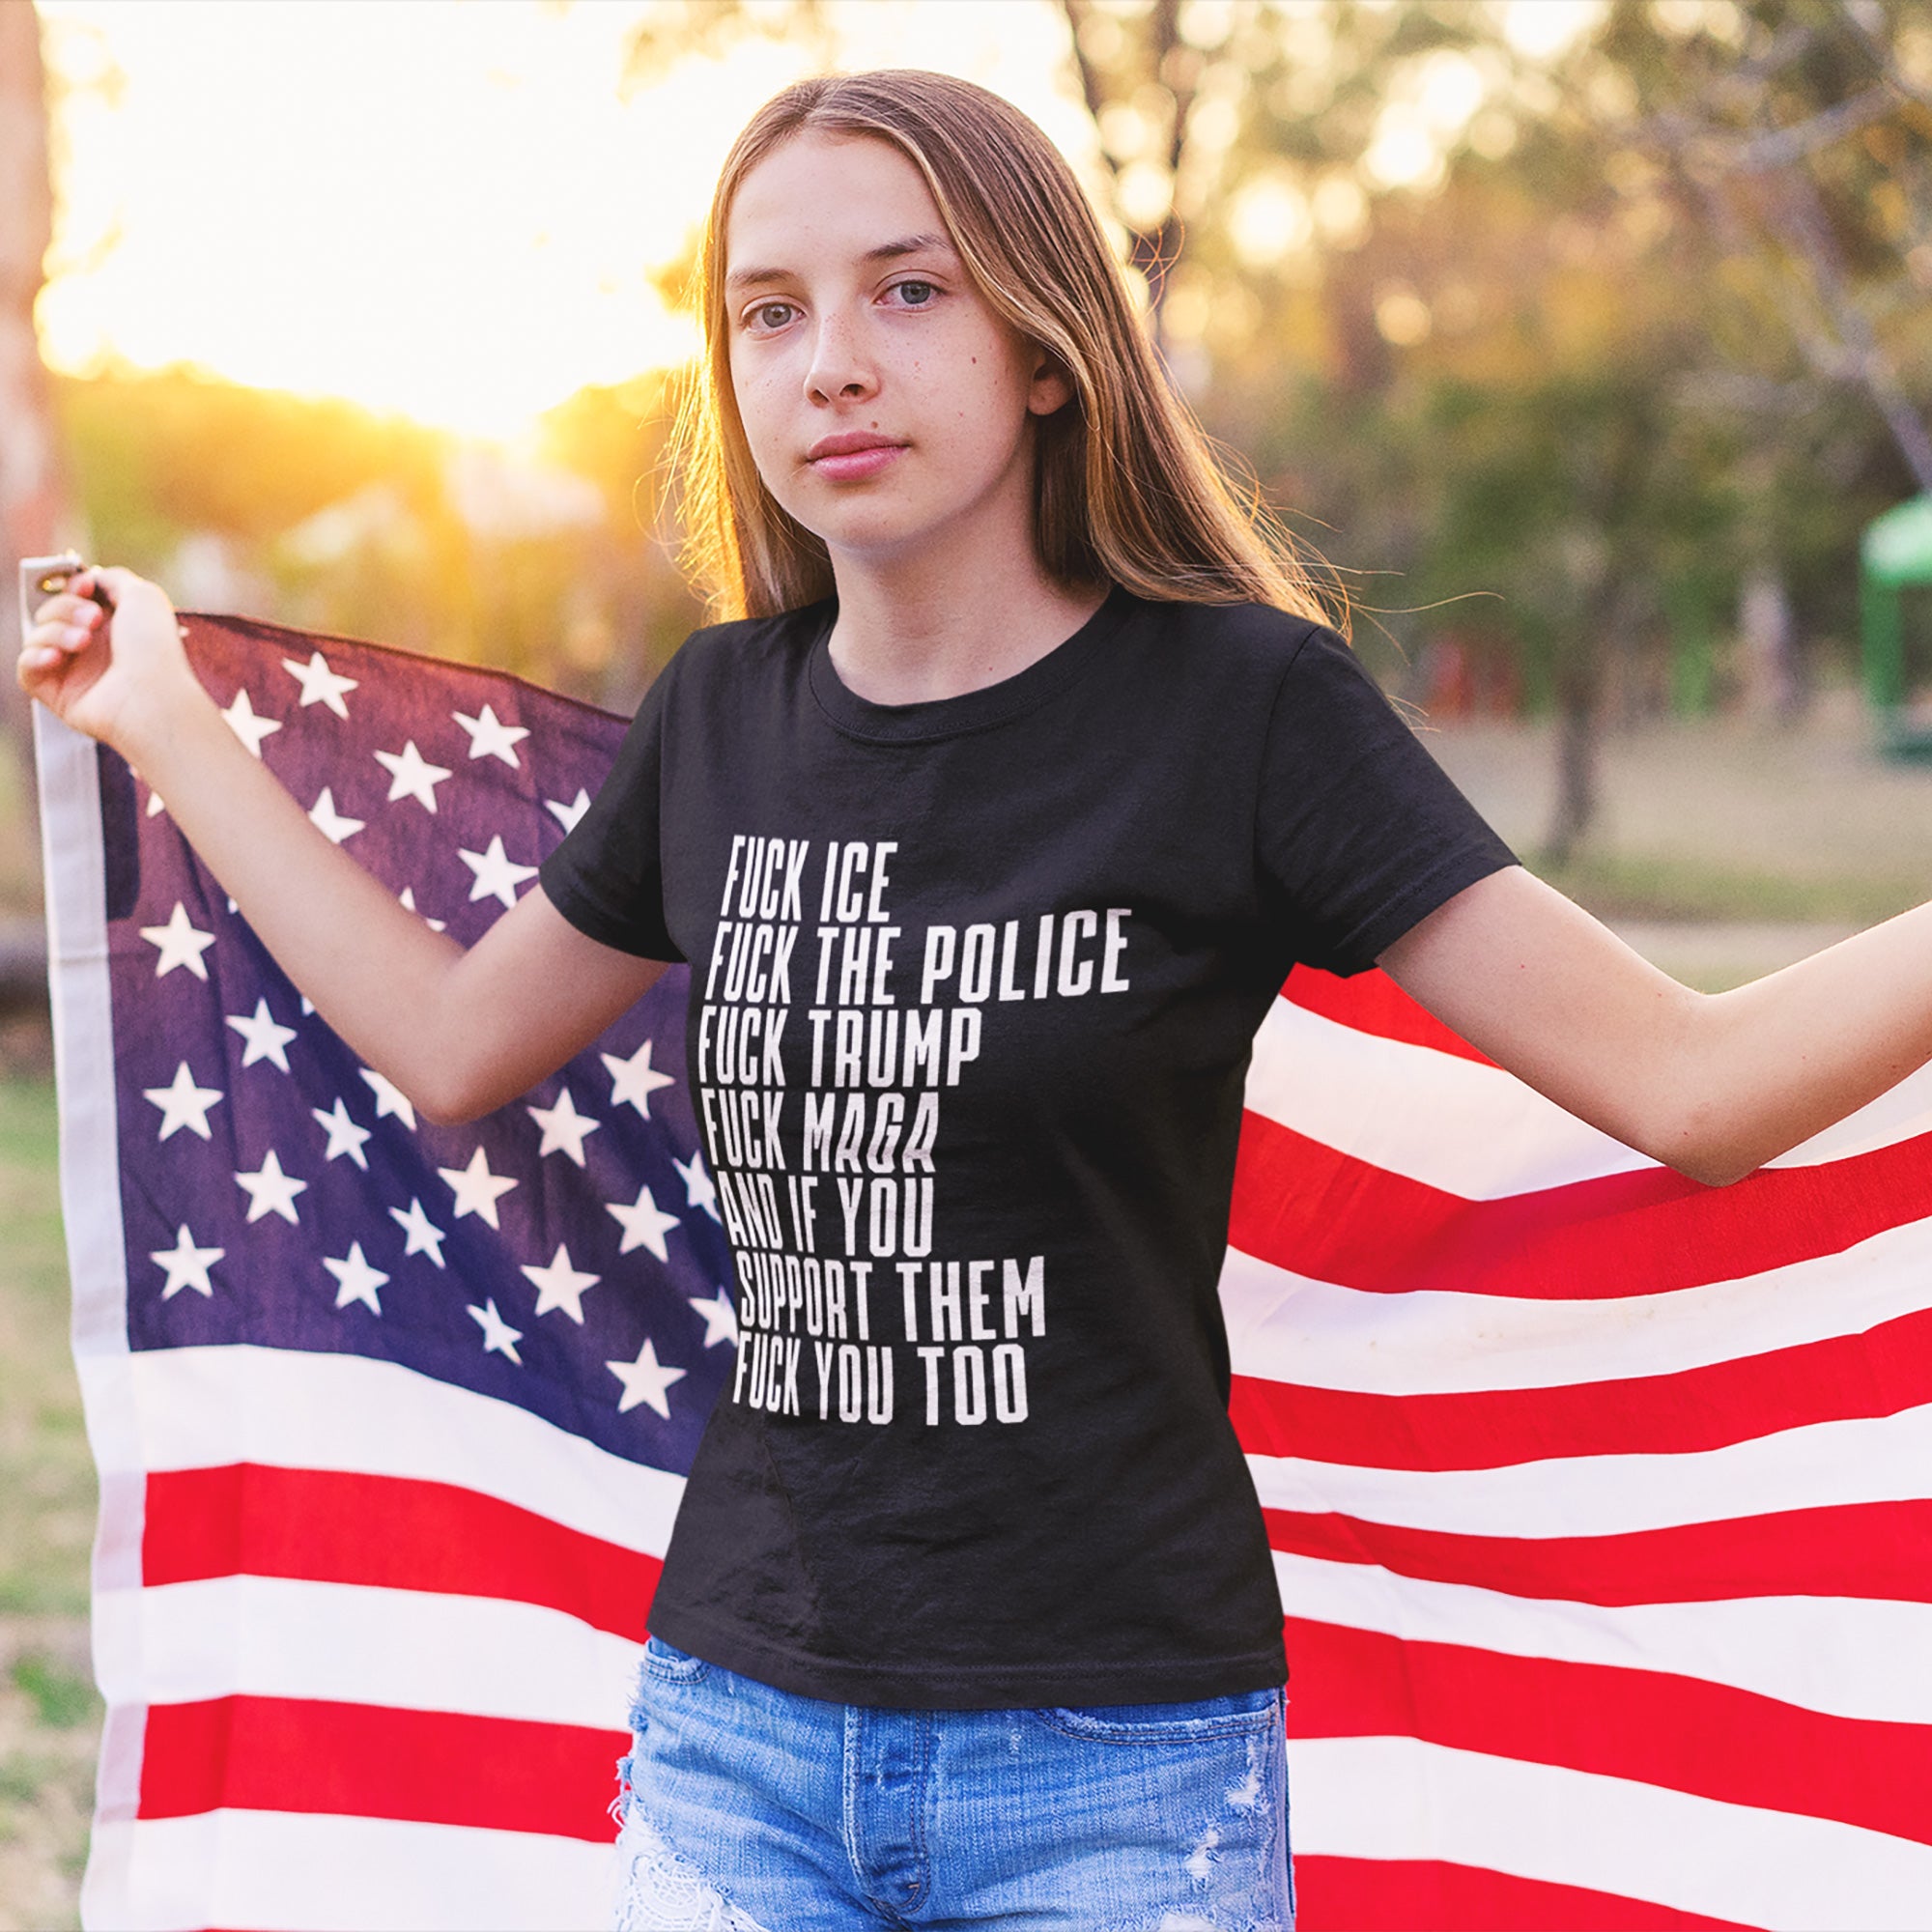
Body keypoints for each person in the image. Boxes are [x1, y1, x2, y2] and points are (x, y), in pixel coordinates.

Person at [19, 68, 1932, 1932]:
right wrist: (165, 720)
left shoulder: (1240, 712)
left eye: (906, 288)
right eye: (770, 312)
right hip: (735, 1741)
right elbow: (447, 1044)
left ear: (1045, 349)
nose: (832, 359)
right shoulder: (720, 720)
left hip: (1118, 1770)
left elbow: (1695, 1088)